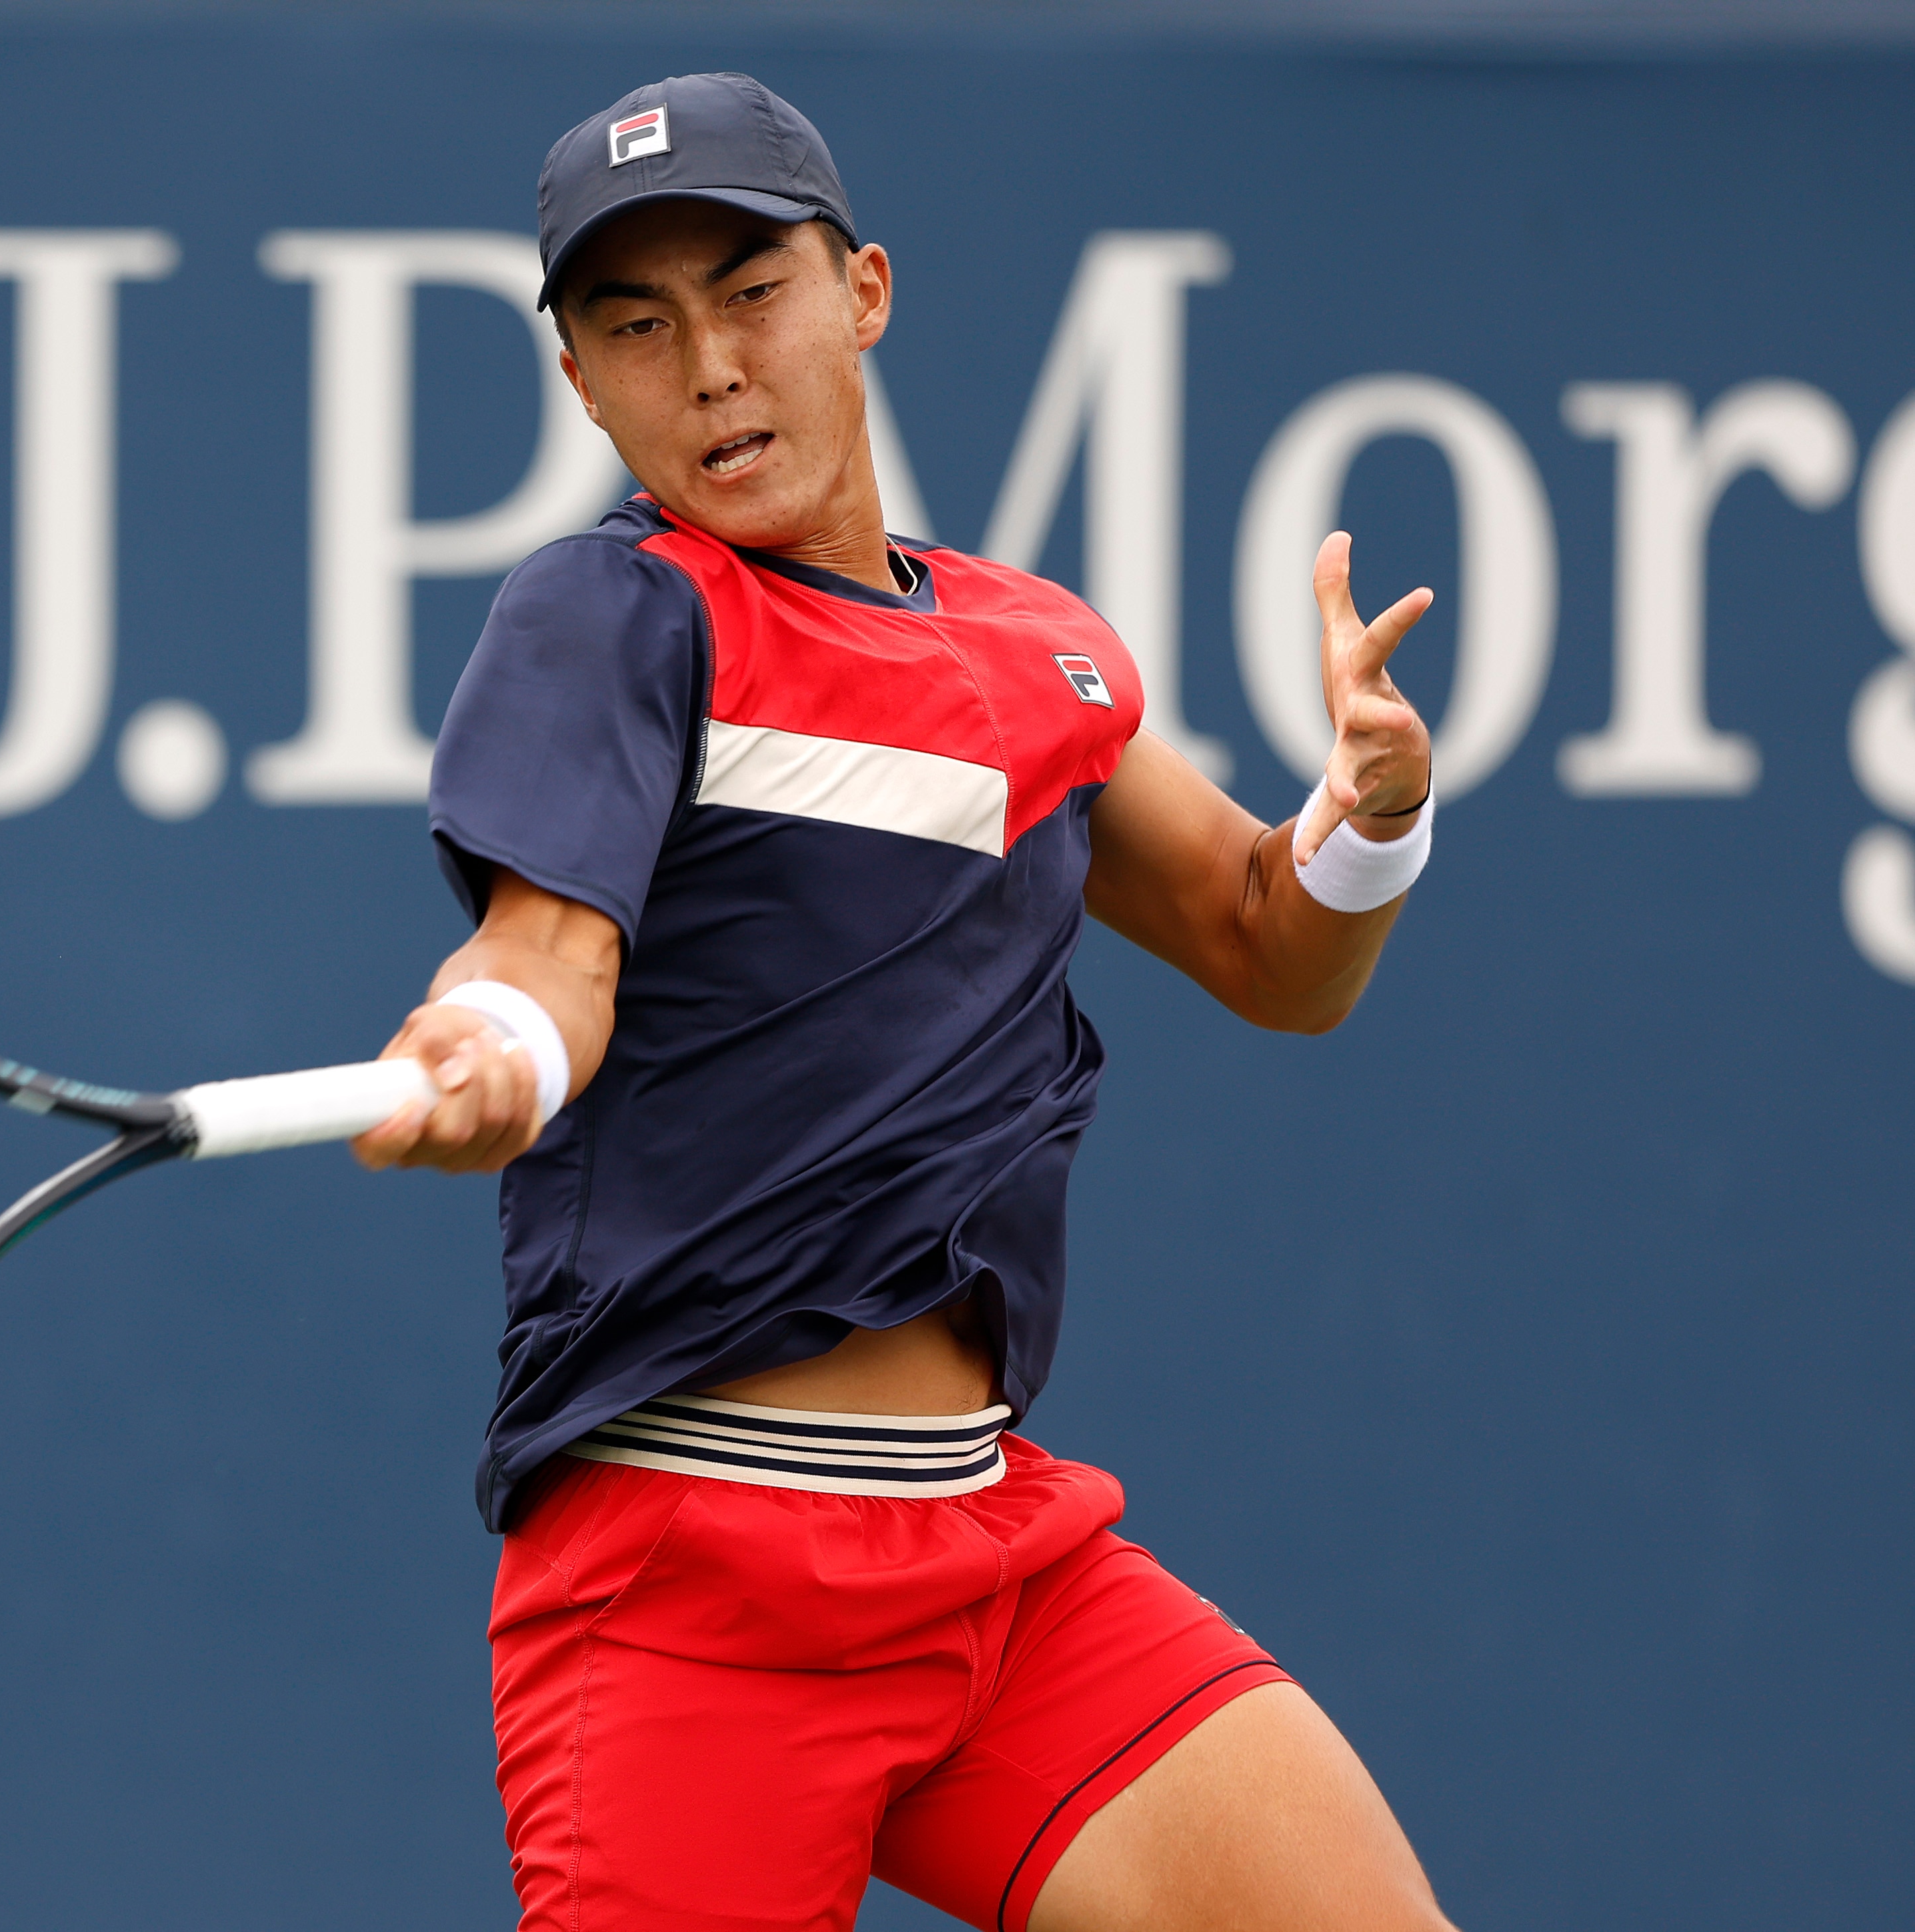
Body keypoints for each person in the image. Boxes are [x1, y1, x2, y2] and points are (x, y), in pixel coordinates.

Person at [349, 72, 1455, 1932]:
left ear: (861, 291)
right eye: (634, 324)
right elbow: (551, 953)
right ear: (581, 388)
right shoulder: (615, 620)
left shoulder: (1041, 655)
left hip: (990, 1559)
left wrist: (1371, 818)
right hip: (689, 1588)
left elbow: (1272, 948)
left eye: (746, 291)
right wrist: (499, 1049)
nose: (706, 364)